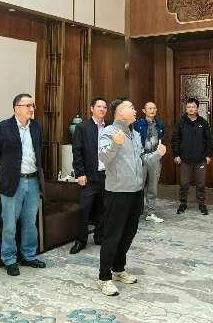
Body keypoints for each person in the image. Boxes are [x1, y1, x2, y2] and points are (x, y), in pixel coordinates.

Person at [97, 98, 166, 296]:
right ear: (119, 112)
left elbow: (142, 159)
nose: (135, 110)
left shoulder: (135, 134)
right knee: (113, 235)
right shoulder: (108, 132)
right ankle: (103, 278)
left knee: (129, 233)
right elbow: (103, 157)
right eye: (131, 107)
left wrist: (157, 154)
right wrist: (115, 144)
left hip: (136, 191)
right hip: (117, 192)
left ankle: (118, 269)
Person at [0, 93, 46, 276]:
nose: (31, 109)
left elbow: (38, 151)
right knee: (10, 224)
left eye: (32, 105)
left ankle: (28, 256)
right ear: (16, 108)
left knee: (30, 222)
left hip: (33, 180)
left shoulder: (36, 126)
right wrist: (9, 171)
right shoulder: (3, 127)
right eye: (27, 105)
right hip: (13, 182)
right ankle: (9, 259)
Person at [69, 97, 108, 254]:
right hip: (88, 176)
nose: (102, 109)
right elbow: (77, 151)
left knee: (103, 208)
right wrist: (80, 173)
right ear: (92, 108)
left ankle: (99, 236)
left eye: (104, 107)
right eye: (99, 106)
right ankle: (81, 240)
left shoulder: (110, 127)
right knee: (84, 209)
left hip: (105, 175)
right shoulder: (82, 127)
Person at [171, 97, 212, 215]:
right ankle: (183, 203)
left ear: (197, 108)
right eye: (188, 107)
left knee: (201, 183)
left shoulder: (203, 122)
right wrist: (176, 154)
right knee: (184, 183)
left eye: (193, 107)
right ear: (186, 108)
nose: (191, 109)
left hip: (201, 159)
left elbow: (209, 140)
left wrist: (208, 155)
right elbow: (175, 139)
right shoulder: (181, 122)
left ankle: (202, 204)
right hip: (185, 159)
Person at [134, 101, 166, 223]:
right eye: (149, 108)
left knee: (153, 187)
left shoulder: (160, 124)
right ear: (144, 110)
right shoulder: (138, 124)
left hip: (155, 157)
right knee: (139, 185)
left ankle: (150, 213)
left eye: (154, 108)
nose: (152, 110)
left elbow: (161, 140)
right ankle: (136, 212)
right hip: (141, 157)